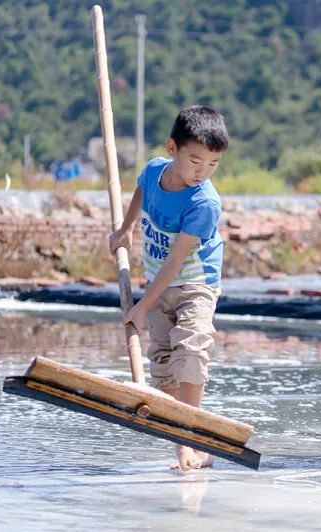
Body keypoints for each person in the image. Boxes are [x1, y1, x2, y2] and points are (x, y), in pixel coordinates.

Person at [108, 105, 228, 470]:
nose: (201, 172)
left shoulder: (204, 202)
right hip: (158, 280)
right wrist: (127, 228)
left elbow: (177, 263)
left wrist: (142, 306)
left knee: (190, 351)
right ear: (172, 149)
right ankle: (182, 445)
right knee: (162, 368)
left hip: (195, 284)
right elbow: (141, 192)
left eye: (212, 165)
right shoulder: (154, 170)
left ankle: (192, 438)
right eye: (195, 161)